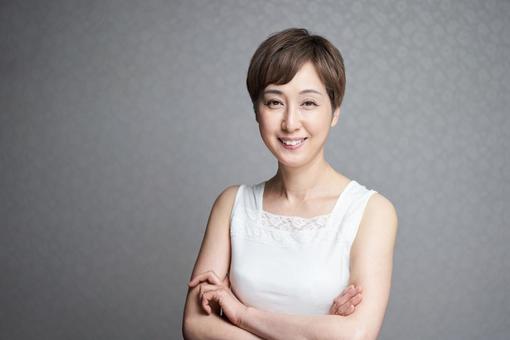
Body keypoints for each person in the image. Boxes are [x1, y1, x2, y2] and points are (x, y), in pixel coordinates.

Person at [182, 27, 398, 340]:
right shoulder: (231, 205)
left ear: (335, 111)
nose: (290, 122)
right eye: (274, 102)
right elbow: (196, 327)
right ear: (257, 110)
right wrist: (319, 331)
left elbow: (356, 335)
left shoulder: (371, 212)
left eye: (308, 103)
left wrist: (242, 314)